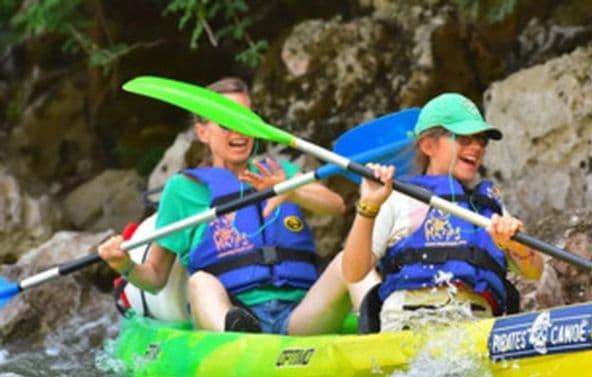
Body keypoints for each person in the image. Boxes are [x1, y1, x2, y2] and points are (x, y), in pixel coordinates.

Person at [99, 77, 376, 334]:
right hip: (234, 313)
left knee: (347, 260)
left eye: (245, 118)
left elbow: (335, 205)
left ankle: (387, 325)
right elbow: (156, 276)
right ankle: (239, 331)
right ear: (202, 133)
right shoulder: (183, 190)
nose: (239, 129)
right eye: (225, 122)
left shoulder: (281, 172)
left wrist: (292, 192)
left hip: (299, 315)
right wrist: (124, 265)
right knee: (200, 282)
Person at [341, 92, 544, 332]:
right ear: (428, 145)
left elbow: (535, 271)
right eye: (464, 138)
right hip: (410, 323)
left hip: (478, 325)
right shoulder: (398, 197)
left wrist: (517, 247)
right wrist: (368, 206)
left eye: (481, 140)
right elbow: (353, 272)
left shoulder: (488, 206)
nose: (477, 147)